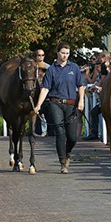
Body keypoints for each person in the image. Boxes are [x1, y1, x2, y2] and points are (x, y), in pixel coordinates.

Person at [33, 41, 86, 173]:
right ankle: (63, 162)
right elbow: (45, 88)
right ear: (58, 53)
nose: (65, 56)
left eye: (67, 53)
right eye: (63, 53)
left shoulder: (74, 68)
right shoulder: (51, 69)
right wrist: (38, 105)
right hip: (55, 102)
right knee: (60, 132)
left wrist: (81, 102)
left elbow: (80, 85)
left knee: (72, 137)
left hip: (71, 103)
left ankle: (67, 152)